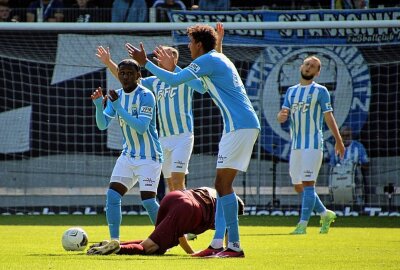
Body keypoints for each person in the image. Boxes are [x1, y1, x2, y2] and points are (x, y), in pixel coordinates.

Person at [126, 23, 260, 258]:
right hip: (237, 127)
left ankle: (234, 246)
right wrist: (176, 67)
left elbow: (177, 81)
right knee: (220, 186)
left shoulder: (209, 60)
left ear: (199, 44)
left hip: (241, 126)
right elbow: (197, 86)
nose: (188, 46)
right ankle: (218, 244)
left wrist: (146, 63)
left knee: (223, 186)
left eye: (190, 42)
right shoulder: (215, 59)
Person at [90, 59, 163, 244]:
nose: (125, 76)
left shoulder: (146, 96)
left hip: (149, 157)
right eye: (122, 73)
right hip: (128, 156)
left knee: (148, 200)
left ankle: (165, 237)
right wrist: (99, 105)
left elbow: (141, 127)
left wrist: (118, 108)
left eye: (130, 73)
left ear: (138, 75)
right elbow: (102, 125)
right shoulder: (118, 96)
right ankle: (114, 241)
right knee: (112, 196)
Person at [277, 56, 345, 235]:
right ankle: (325, 213)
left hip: (313, 144)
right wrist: (281, 117)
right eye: (307, 64)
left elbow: (328, 116)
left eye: (313, 66)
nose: (308, 67)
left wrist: (339, 140)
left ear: (317, 72)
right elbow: (282, 115)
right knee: (298, 185)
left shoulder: (320, 91)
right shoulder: (291, 91)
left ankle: (302, 225)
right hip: (296, 145)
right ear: (301, 66)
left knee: (308, 184)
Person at [86, 187, 245, 256]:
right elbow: (227, 246)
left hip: (173, 198)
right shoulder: (227, 212)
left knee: (156, 243)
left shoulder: (212, 192)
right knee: (151, 248)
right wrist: (191, 252)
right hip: (187, 208)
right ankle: (118, 249)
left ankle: (112, 243)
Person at [329, 126, 370, 204]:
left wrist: (358, 166)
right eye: (343, 136)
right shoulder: (336, 147)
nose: (345, 138)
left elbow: (366, 164)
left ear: (351, 136)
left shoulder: (358, 146)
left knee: (358, 173)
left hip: (355, 177)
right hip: (339, 177)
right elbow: (331, 165)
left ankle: (359, 202)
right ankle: (336, 200)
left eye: (347, 135)